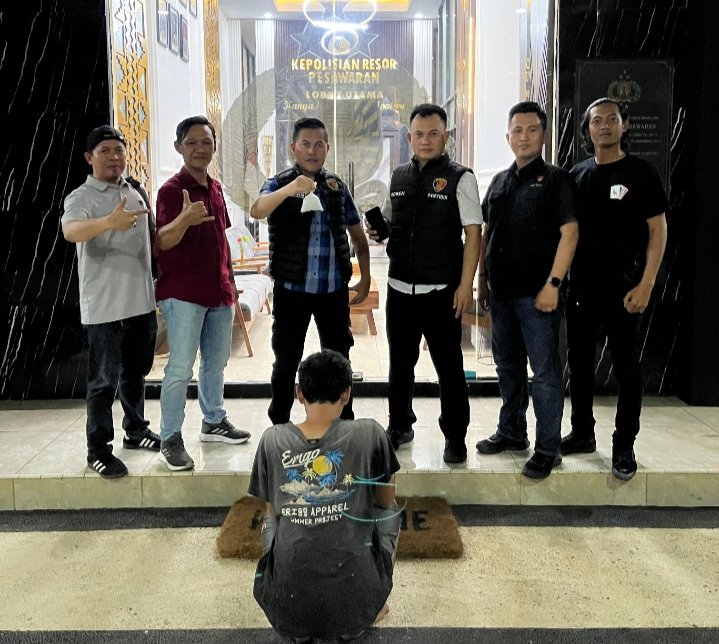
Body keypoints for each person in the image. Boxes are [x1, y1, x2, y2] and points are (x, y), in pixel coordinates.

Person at [249, 349, 400, 641]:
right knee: (390, 511)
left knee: (271, 520)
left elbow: (273, 513)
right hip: (354, 614)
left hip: (287, 615)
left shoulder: (271, 439)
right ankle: (369, 605)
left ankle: (295, 604)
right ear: (347, 393)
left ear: (299, 393)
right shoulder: (371, 432)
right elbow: (384, 503)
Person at [367, 103, 481, 464]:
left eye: (434, 134)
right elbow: (393, 223)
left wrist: (466, 285)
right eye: (419, 134)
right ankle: (400, 425)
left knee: (449, 367)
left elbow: (473, 233)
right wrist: (379, 230)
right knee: (400, 365)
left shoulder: (461, 177)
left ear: (446, 137)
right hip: (400, 289)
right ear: (409, 137)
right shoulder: (399, 176)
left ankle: (455, 436)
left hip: (441, 291)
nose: (426, 140)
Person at [562, 97, 668, 481]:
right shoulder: (577, 174)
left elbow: (658, 230)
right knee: (580, 365)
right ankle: (582, 433)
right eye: (596, 121)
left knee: (626, 367)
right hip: (581, 288)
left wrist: (647, 283)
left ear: (625, 125)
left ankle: (624, 445)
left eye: (612, 119)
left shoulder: (640, 173)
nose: (604, 126)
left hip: (625, 289)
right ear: (587, 129)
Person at [476, 101, 579, 479]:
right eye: (517, 131)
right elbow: (487, 233)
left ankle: (548, 448)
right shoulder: (500, 182)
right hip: (501, 294)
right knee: (507, 367)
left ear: (544, 135)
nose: (523, 137)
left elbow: (570, 233)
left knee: (545, 372)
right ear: (508, 137)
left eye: (532, 130)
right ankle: (512, 432)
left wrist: (553, 283)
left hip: (538, 296)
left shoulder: (556, 180)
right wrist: (482, 280)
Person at [250, 117, 370, 425]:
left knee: (340, 360)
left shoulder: (336, 187)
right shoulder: (279, 183)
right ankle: (279, 423)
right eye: (305, 144)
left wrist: (365, 278)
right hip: (292, 291)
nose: (312, 151)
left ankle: (344, 422)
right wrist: (292, 188)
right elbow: (257, 209)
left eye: (319, 145)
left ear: (327, 148)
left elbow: (358, 236)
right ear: (294, 147)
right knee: (286, 360)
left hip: (333, 291)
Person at [62, 125, 159, 479]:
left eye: (119, 150)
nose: (114, 157)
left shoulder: (134, 191)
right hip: (105, 309)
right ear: (90, 158)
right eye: (105, 151)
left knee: (135, 373)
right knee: (103, 382)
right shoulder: (81, 197)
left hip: (141, 304)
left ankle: (135, 430)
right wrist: (107, 222)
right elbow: (71, 231)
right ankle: (98, 450)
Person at [155, 115, 250, 471]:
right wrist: (184, 219)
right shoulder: (170, 191)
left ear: (214, 146)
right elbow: (161, 242)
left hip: (219, 291)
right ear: (178, 147)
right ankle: (170, 438)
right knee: (181, 368)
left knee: (215, 363)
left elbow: (221, 240)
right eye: (192, 142)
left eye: (206, 142)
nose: (200, 149)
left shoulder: (215, 187)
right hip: (183, 294)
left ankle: (213, 421)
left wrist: (232, 281)